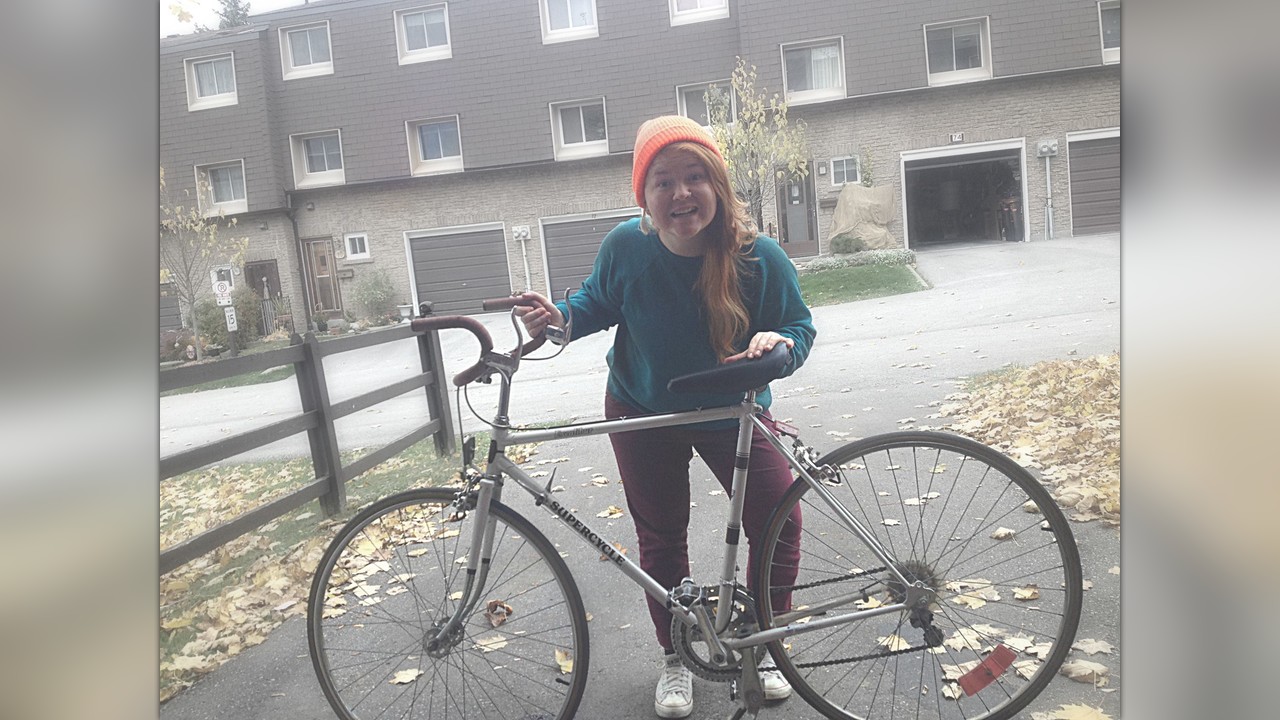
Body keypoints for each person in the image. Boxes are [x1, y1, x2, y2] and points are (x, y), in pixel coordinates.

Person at [514, 115, 815, 719]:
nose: (681, 193)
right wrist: (559, 319)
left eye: (694, 177)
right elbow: (597, 300)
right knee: (661, 536)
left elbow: (798, 328)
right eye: (663, 181)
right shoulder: (628, 246)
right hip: (641, 406)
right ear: (644, 197)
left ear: (717, 185)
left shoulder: (758, 257)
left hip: (730, 410)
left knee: (780, 520)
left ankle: (762, 643)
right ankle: (676, 655)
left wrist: (777, 345)